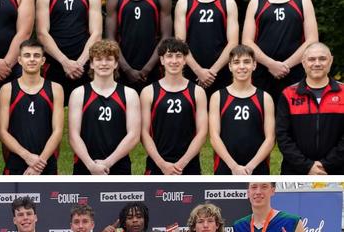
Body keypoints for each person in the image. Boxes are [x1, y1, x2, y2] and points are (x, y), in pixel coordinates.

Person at [242, 0, 318, 102]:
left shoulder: (303, 1)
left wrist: (285, 66)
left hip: (295, 72)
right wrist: (271, 64)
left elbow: (312, 40)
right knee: (264, 121)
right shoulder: (256, 3)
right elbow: (246, 42)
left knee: (294, 122)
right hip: (262, 73)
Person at [35, 0, 102, 99]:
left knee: (85, 116)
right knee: (52, 115)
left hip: (84, 64)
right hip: (55, 64)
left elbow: (97, 33)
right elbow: (42, 33)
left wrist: (79, 63)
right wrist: (65, 62)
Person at [69, 39, 141, 175]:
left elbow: (134, 135)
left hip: (119, 164)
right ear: (91, 64)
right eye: (98, 59)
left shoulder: (129, 94)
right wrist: (91, 165)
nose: (103, 64)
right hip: (85, 165)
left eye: (108, 59)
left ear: (115, 64)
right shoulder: (79, 93)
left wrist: (107, 162)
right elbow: (73, 135)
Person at [105, 0, 172, 92]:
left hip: (153, 70)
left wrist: (147, 69)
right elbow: (110, 38)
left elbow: (166, 37)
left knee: (152, 113)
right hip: (122, 69)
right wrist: (127, 69)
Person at [140, 38, 208, 175]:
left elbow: (202, 133)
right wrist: (162, 164)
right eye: (169, 56)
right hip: (157, 164)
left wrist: (181, 164)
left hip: (189, 164)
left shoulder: (197, 92)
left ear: (184, 60)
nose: (174, 61)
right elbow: (144, 133)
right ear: (162, 60)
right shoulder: (148, 92)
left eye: (178, 56)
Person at [174, 0, 238, 97]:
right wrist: (199, 71)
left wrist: (212, 72)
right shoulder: (184, 3)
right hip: (191, 72)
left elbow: (233, 42)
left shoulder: (228, 3)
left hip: (221, 73)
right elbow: (180, 43)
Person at [0, 38, 64, 174]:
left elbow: (58, 131)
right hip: (17, 160)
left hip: (46, 162)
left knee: (48, 196)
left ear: (43, 61)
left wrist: (39, 163)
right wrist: (27, 156)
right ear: (20, 60)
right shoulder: (7, 89)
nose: (32, 59)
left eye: (36, 56)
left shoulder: (55, 89)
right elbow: (2, 131)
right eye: (27, 55)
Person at [276, 42, 344, 174]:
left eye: (322, 59)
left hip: (338, 172)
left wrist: (326, 165)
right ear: (303, 62)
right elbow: (282, 136)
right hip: (295, 172)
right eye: (312, 59)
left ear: (331, 61)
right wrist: (307, 166)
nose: (317, 63)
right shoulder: (288, 94)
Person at [209, 45, 275, 175]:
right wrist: (233, 166)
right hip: (225, 165)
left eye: (246, 62)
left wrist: (250, 166)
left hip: (257, 166)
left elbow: (270, 138)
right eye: (236, 62)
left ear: (254, 65)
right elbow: (214, 136)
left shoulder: (265, 98)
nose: (242, 67)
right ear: (229, 66)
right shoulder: (218, 97)